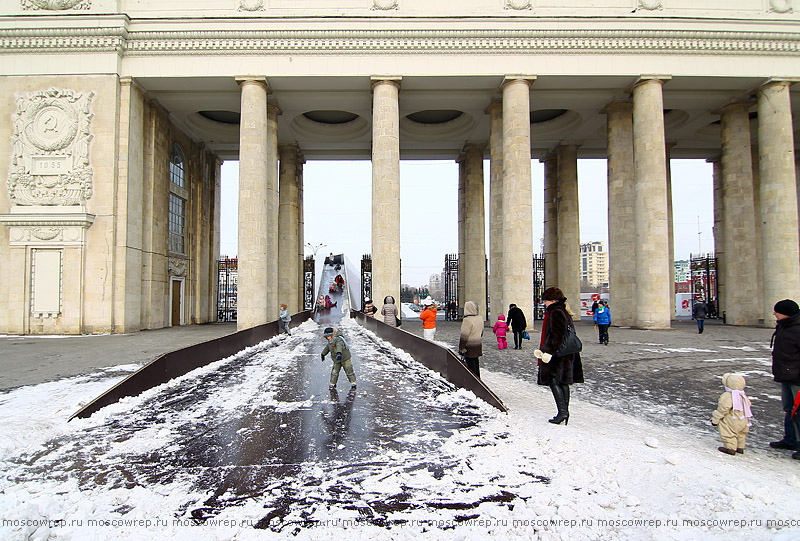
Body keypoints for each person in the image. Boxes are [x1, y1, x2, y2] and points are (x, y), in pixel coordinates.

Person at [533, 287, 584, 426]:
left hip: (557, 354)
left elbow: (557, 334)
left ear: (553, 300)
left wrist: (548, 351)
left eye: (546, 300)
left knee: (554, 380)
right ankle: (564, 412)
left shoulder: (555, 312)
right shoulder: (563, 311)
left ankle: (562, 412)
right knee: (563, 382)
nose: (545, 303)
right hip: (565, 353)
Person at [768, 299, 800, 459]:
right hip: (786, 375)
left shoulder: (796, 329)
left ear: (786, 313)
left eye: (776, 311)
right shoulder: (784, 326)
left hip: (797, 378)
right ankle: (791, 440)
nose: (773, 313)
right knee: (789, 409)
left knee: (798, 411)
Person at [711, 373, 753, 455]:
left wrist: (715, 419)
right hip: (744, 419)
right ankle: (740, 447)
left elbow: (723, 409)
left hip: (732, 419)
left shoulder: (728, 396)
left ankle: (730, 448)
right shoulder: (743, 396)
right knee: (741, 434)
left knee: (728, 432)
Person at [459, 300, 484, 378]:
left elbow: (464, 336)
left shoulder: (467, 320)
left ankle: (474, 382)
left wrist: (461, 348)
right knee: (476, 362)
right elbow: (482, 332)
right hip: (478, 343)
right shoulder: (480, 318)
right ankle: (478, 379)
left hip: (469, 346)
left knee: (471, 365)